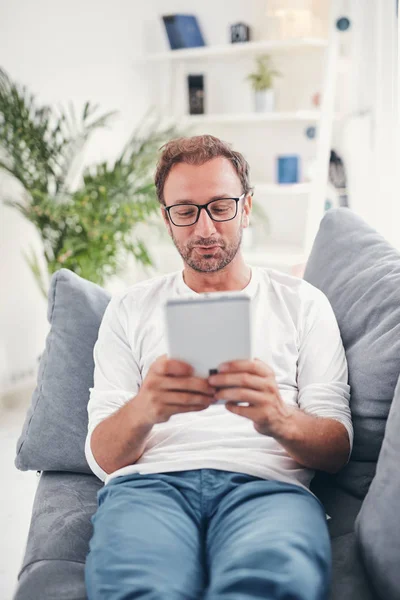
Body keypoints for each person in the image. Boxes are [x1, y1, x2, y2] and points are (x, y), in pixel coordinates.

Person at [84, 135, 353, 600]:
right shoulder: (130, 308)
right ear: (167, 220)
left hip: (268, 488)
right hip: (150, 489)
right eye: (185, 211)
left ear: (247, 208)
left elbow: (338, 449)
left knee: (271, 587)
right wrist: (145, 409)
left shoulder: (303, 304)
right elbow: (102, 457)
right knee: (138, 589)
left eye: (221, 207)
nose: (204, 228)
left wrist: (280, 420)